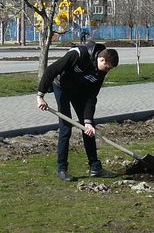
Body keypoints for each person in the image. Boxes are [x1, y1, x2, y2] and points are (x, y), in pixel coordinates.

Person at [36, 41, 119, 181]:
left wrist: (87, 121)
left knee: (89, 129)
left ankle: (95, 167)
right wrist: (40, 96)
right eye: (107, 67)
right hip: (61, 87)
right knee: (65, 128)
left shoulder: (101, 71)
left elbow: (92, 97)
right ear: (102, 59)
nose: (107, 71)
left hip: (79, 91)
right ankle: (62, 170)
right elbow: (51, 70)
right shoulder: (78, 54)